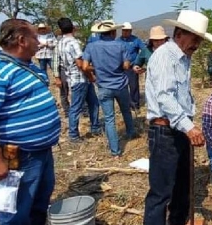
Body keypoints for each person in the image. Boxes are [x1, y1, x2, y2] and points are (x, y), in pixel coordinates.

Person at [140, 10, 212, 225]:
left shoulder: (183, 57)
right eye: (194, 38)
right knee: (160, 192)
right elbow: (164, 96)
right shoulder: (164, 56)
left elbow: (181, 94)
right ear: (179, 34)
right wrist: (188, 126)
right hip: (165, 129)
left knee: (184, 179)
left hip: (180, 126)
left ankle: (179, 218)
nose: (197, 44)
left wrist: (187, 124)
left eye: (200, 39)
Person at [0, 19, 61, 225]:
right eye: (35, 38)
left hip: (41, 150)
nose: (39, 43)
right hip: (17, 155)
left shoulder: (29, 66)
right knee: (13, 211)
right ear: (21, 40)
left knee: (40, 198)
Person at [82, 20, 135, 156]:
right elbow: (126, 66)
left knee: (109, 119)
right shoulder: (121, 45)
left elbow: (84, 66)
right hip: (120, 85)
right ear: (112, 32)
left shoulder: (91, 47)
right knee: (126, 111)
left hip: (104, 86)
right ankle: (131, 133)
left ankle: (115, 151)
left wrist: (96, 70)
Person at [53, 17, 101, 143]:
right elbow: (80, 64)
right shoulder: (73, 43)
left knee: (94, 103)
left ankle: (95, 127)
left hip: (73, 77)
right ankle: (73, 135)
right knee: (76, 107)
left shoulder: (60, 43)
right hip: (80, 78)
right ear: (73, 28)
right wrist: (92, 75)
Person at [117, 22, 147, 110]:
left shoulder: (136, 40)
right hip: (121, 68)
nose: (125, 32)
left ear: (130, 31)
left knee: (133, 86)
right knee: (122, 87)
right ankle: (125, 105)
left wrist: (139, 62)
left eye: (127, 31)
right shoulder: (118, 41)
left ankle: (135, 104)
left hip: (132, 67)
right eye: (124, 31)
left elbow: (144, 50)